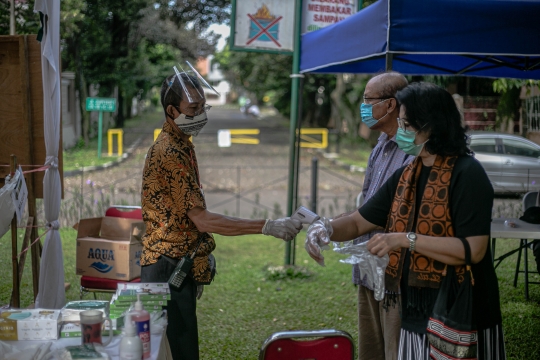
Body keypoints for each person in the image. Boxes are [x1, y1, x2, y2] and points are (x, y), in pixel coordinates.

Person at [306, 82, 506, 359]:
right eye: (400, 123)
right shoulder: (406, 175)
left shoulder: (467, 174)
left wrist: (404, 239)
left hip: (461, 306)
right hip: (415, 305)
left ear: (432, 126)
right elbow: (358, 222)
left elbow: (473, 250)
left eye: (407, 125)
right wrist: (324, 227)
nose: (400, 131)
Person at [140, 72, 303, 360]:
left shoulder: (181, 143)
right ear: (171, 111)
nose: (200, 115)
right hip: (166, 267)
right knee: (178, 352)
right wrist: (267, 226)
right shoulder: (169, 152)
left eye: (203, 108)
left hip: (177, 262)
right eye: (193, 110)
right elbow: (202, 220)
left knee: (180, 347)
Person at [354, 71, 412, 360]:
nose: (363, 106)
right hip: (368, 268)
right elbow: (366, 205)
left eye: (368, 100)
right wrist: (327, 224)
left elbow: (393, 215)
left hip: (396, 274)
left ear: (390, 105)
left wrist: (341, 226)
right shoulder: (380, 146)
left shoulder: (414, 152)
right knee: (371, 348)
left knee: (395, 349)